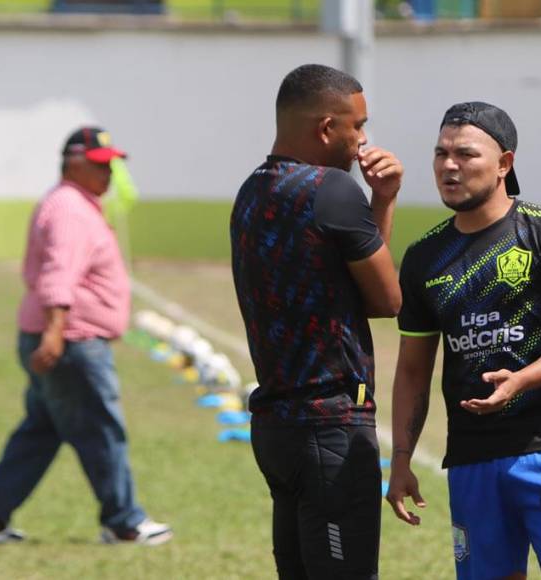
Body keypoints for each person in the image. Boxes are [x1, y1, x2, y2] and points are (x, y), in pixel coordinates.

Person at [385, 102, 541, 580]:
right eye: (441, 153)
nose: (449, 166)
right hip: (472, 460)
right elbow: (412, 369)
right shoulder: (425, 256)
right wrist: (402, 459)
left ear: (504, 164)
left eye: (466, 154)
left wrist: (522, 381)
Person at [230, 64, 403, 579]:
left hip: (276, 427)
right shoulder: (332, 190)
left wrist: (380, 202)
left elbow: (350, 292)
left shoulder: (250, 191)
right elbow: (387, 299)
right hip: (330, 428)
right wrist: (383, 199)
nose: (363, 140)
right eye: (358, 126)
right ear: (327, 128)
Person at [0, 127, 172, 546]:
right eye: (101, 164)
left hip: (60, 337)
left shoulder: (74, 203)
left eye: (112, 164)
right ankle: (123, 522)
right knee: (102, 429)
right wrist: (55, 332)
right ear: (75, 163)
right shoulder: (69, 210)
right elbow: (57, 273)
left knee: (41, 429)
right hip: (72, 341)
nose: (109, 172)